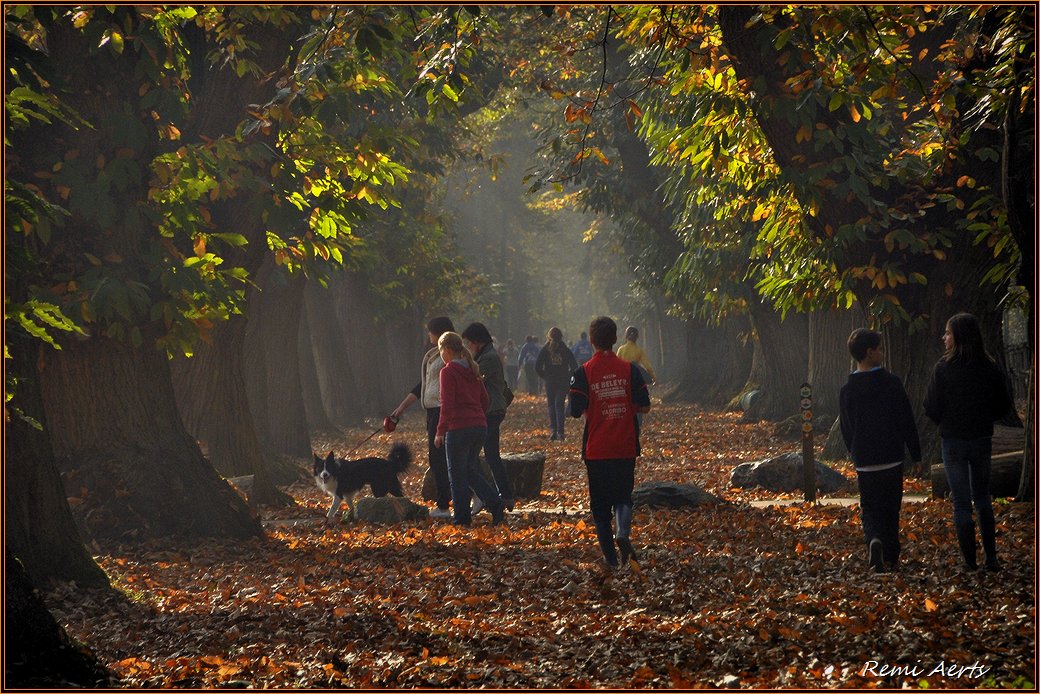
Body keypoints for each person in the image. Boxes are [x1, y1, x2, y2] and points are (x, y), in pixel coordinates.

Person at [923, 313, 1013, 572]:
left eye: (948, 333)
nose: (944, 338)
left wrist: (944, 420)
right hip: (981, 438)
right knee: (982, 497)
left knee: (961, 502)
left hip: (953, 440)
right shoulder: (990, 367)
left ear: (958, 337)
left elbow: (931, 405)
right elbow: (1003, 404)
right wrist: (985, 418)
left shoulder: (943, 368)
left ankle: (969, 561)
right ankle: (992, 558)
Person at [569, 316, 651, 569]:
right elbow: (645, 406)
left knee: (600, 506)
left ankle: (611, 559)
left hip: (597, 448)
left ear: (591, 340)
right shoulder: (631, 370)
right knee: (623, 496)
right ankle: (623, 532)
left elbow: (575, 409)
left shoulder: (583, 372)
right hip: (625, 445)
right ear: (615, 339)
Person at [838, 328, 922, 574]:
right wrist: (915, 453)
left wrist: (853, 451)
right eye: (879, 349)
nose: (883, 353)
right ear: (870, 353)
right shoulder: (891, 383)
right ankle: (892, 555)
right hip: (891, 456)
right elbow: (906, 418)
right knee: (891, 506)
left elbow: (846, 426)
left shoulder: (848, 389)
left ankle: (873, 539)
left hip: (865, 459)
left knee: (870, 507)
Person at [434, 332, 505, 526]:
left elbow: (446, 404)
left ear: (447, 350)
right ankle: (495, 503)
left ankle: (462, 518)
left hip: (458, 428)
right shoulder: (472, 369)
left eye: (441, 351)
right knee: (469, 470)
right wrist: (477, 416)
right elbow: (485, 399)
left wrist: (441, 430)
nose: (441, 355)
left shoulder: (448, 372)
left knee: (456, 475)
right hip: (478, 426)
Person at [390, 316, 455, 519]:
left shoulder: (449, 355)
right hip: (432, 411)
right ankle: (450, 500)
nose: (428, 335)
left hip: (442, 410)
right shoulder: (433, 355)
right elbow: (423, 386)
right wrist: (400, 409)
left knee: (440, 459)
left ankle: (445, 504)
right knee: (438, 459)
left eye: (431, 331)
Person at [462, 322, 515, 511]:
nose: (467, 347)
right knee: (492, 455)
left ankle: (485, 495)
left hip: (491, 411)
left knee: (473, 455)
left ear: (477, 341)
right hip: (494, 409)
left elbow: (471, 377)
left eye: (468, 343)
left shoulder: (488, 358)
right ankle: (505, 495)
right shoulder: (487, 355)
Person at [536, 327, 579, 441]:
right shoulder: (565, 349)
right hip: (563, 381)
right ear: (561, 337)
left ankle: (553, 430)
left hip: (550, 381)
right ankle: (561, 432)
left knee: (551, 405)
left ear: (549, 336)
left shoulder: (545, 350)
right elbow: (574, 366)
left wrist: (545, 376)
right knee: (559, 405)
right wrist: (569, 375)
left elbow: (538, 367)